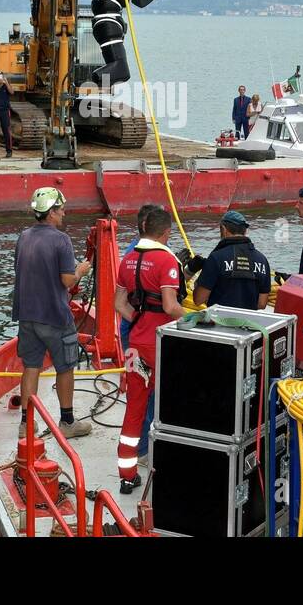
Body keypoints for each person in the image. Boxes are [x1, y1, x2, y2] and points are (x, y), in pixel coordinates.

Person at [12, 187, 93, 440]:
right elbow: (67, 280)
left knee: (31, 367)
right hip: (55, 317)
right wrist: (81, 270)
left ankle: (26, 423)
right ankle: (67, 421)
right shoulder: (61, 240)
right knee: (65, 367)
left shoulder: (24, 236)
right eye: (61, 209)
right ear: (51, 213)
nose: (64, 213)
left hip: (27, 315)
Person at [114, 206, 185, 493]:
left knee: (134, 409)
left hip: (136, 346)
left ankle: (127, 475)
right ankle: (169, 468)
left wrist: (139, 319)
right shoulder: (166, 260)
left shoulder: (128, 258)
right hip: (161, 344)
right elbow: (170, 306)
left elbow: (120, 304)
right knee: (170, 404)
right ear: (166, 233)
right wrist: (197, 320)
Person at [193, 210, 273, 309]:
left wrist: (197, 280)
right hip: (248, 322)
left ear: (223, 229)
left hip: (220, 322)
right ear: (245, 231)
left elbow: (199, 299)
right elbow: (261, 304)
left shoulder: (216, 258)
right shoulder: (262, 260)